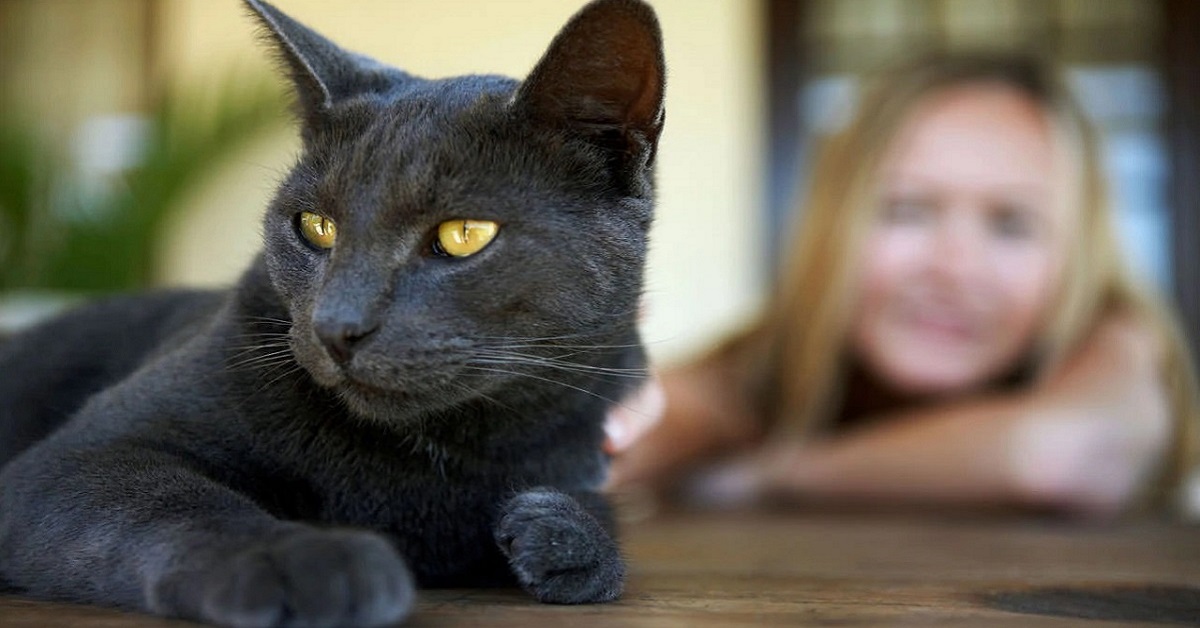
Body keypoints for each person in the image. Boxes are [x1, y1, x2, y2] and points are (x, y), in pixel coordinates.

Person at [605, 53, 1200, 518]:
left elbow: (1063, 456)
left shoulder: (1115, 334)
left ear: (1078, 255)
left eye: (1012, 224)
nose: (954, 267)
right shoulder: (775, 362)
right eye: (907, 210)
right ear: (832, 229)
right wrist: (606, 422)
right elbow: (655, 421)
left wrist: (772, 474)